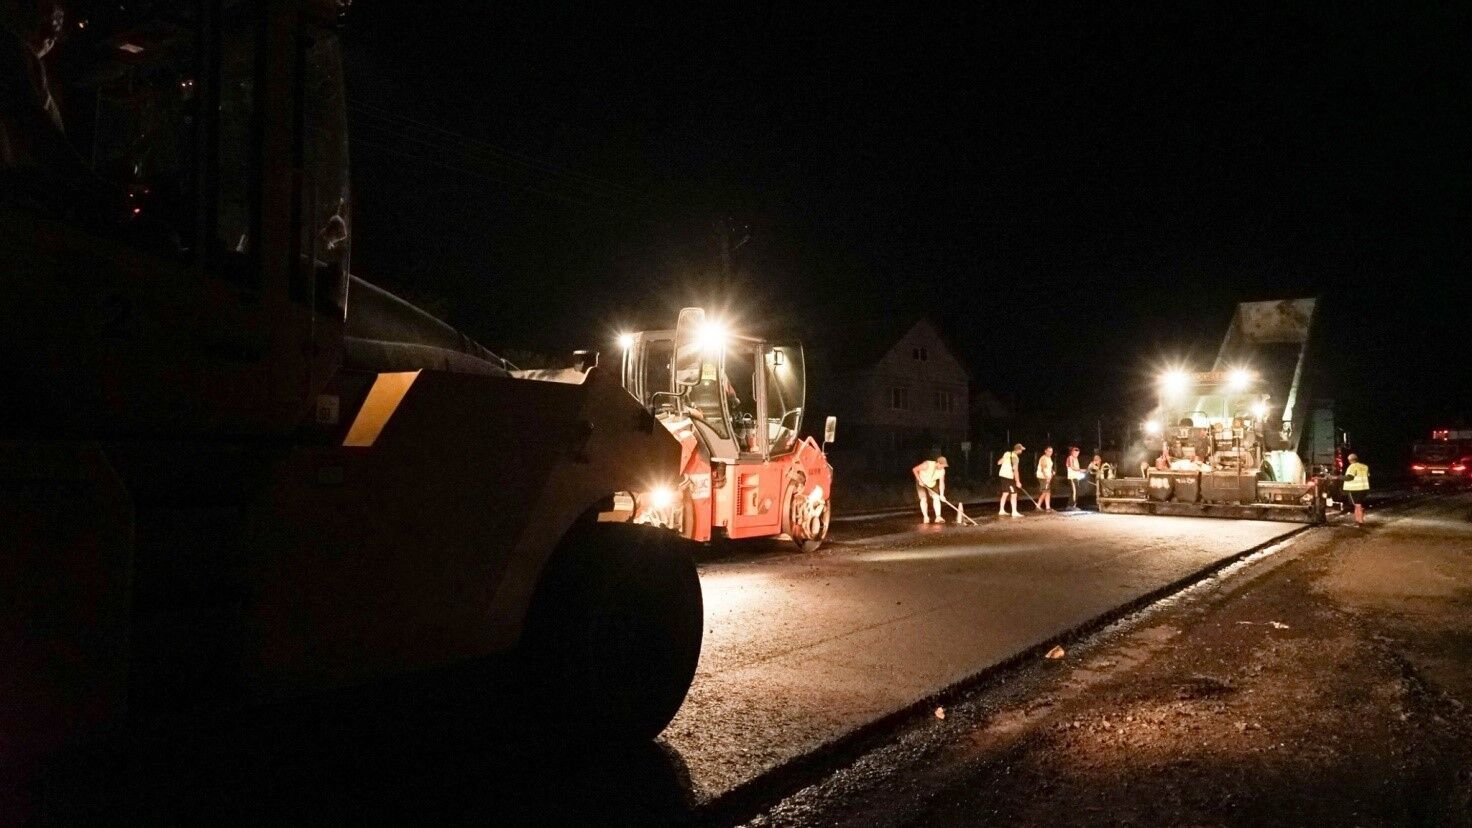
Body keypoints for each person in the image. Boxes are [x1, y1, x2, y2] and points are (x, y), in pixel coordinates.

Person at [912, 455, 949, 524]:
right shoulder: (927, 464)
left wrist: (942, 494)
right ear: (938, 463)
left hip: (932, 483)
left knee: (937, 497)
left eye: (944, 466)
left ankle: (938, 517)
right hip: (921, 481)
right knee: (923, 499)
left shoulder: (942, 471)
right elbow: (914, 469)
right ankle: (926, 517)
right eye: (942, 465)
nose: (943, 467)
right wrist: (919, 480)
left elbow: (941, 483)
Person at [997, 443, 1024, 517]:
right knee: (1014, 494)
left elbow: (999, 462)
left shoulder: (1007, 453)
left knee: (1005, 493)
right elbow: (1015, 470)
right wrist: (1018, 481)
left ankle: (1001, 510)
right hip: (1008, 477)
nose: (1022, 451)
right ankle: (1014, 512)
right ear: (1018, 450)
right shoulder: (1015, 458)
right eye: (1021, 449)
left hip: (1002, 475)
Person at [1342, 452, 1369, 526]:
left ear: (1350, 460)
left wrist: (1338, 477)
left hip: (1355, 488)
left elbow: (1349, 477)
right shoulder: (1365, 466)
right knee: (1358, 504)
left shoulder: (1352, 467)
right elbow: (1367, 475)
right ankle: (1358, 520)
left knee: (1358, 505)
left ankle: (1360, 522)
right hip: (1364, 488)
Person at [1035, 446, 1055, 511]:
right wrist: (1047, 478)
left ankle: (1048, 507)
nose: (1050, 453)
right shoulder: (1043, 458)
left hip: (1047, 477)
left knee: (1048, 492)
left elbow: (1049, 467)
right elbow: (1043, 469)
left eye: (1051, 451)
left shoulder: (1049, 458)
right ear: (1045, 451)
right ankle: (1038, 506)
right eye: (1049, 451)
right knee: (1045, 491)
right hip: (1043, 477)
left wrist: (1052, 471)